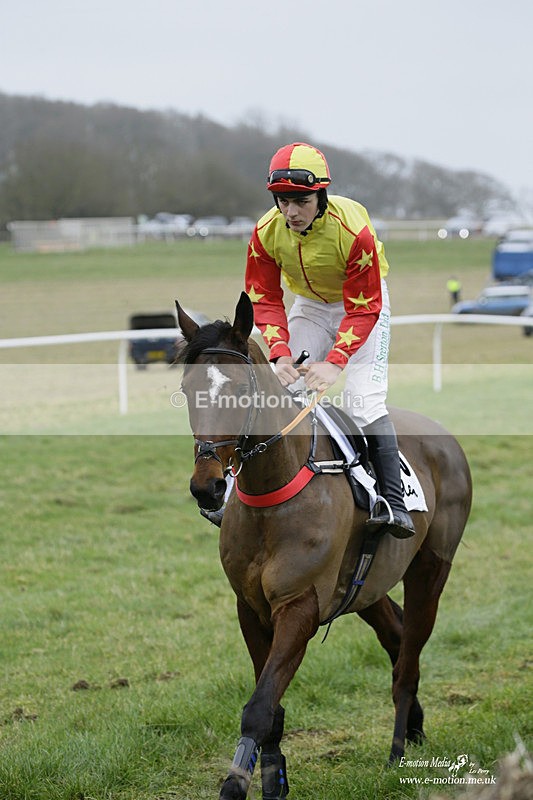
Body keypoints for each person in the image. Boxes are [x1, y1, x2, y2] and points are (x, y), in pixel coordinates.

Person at [243, 141, 415, 538]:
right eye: (282, 201)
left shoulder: (353, 230)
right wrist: (281, 353)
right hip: (312, 305)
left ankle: (394, 502)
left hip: (364, 303)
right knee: (283, 393)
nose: (290, 212)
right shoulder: (265, 232)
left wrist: (335, 361)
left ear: (321, 194)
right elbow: (264, 297)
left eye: (300, 201)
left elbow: (364, 306)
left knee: (360, 400)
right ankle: (241, 492)